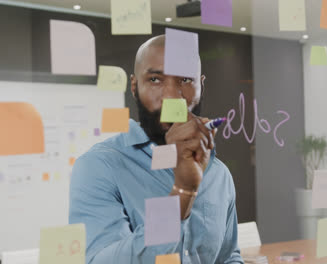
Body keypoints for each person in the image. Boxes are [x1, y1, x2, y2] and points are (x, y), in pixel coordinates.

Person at [69, 35, 244, 264]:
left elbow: (228, 257)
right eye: (155, 79)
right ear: (134, 86)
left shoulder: (218, 174)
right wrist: (182, 193)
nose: (171, 96)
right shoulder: (99, 167)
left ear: (201, 85)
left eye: (184, 79)